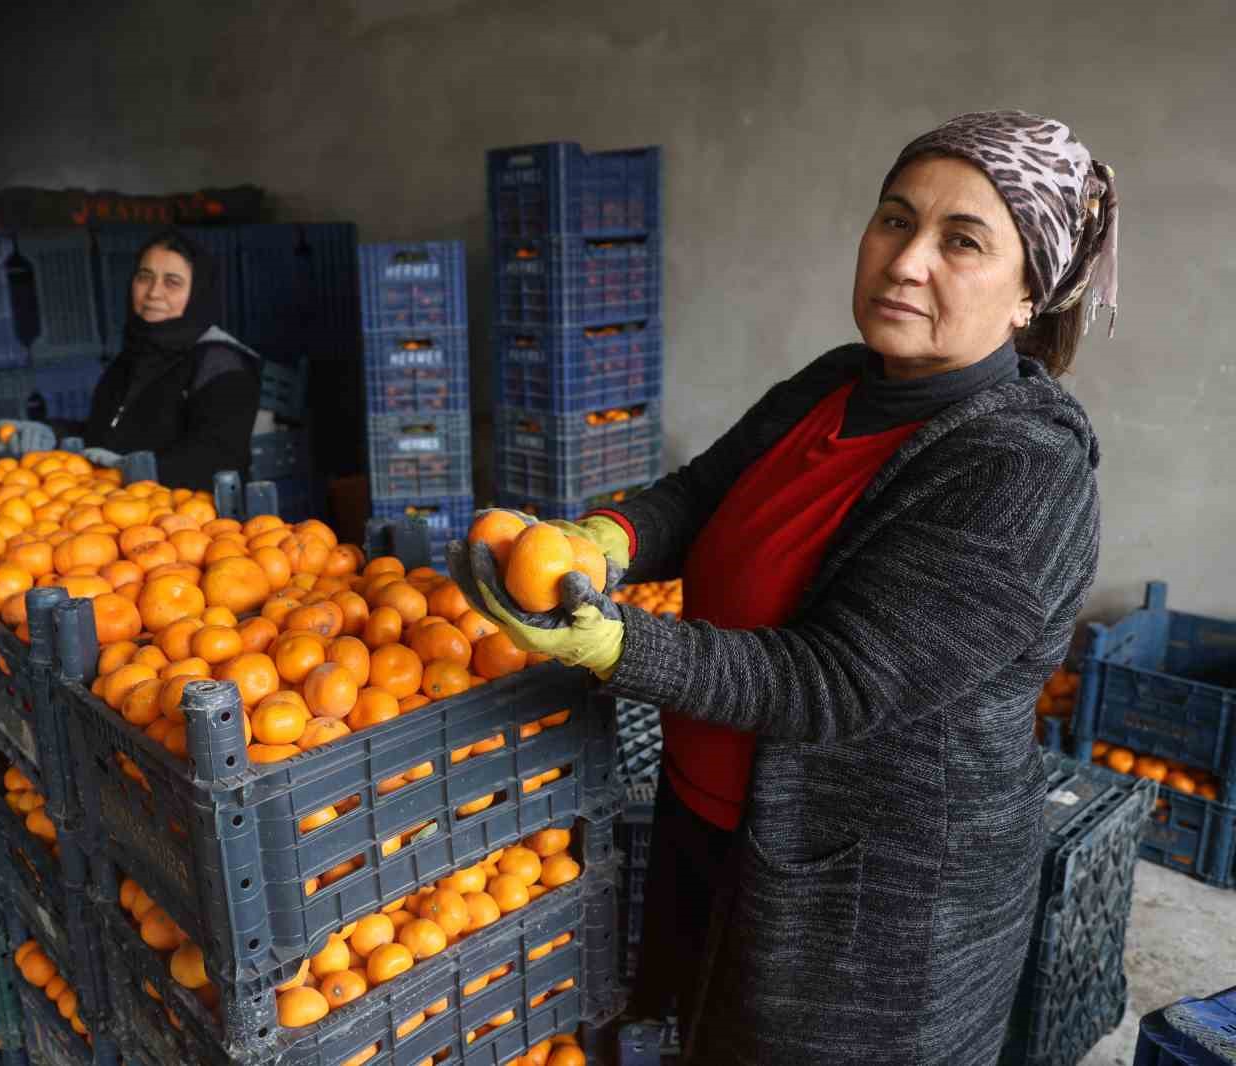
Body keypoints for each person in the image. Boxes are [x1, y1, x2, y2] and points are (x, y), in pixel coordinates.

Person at [450, 110, 1119, 1065]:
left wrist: (616, 644)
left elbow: (836, 682)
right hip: (718, 824)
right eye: (896, 219)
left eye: (962, 241)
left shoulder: (1022, 474)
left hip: (871, 903)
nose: (907, 260)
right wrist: (609, 539)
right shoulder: (841, 380)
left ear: (1028, 296)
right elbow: (702, 492)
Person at [0, 227, 261, 489]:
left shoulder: (221, 365)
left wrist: (129, 470)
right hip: (116, 510)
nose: (153, 292)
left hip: (185, 519)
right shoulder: (134, 354)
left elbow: (217, 462)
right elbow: (103, 437)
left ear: (198, 293)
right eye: (144, 277)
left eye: (172, 282)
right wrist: (50, 434)